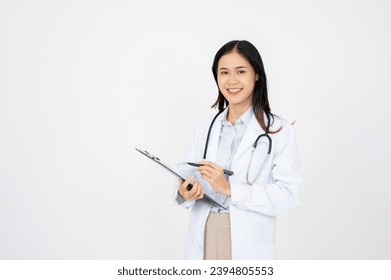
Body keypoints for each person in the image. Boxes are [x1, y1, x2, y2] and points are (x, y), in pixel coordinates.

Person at [173, 40, 302, 260]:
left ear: (256, 75)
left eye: (240, 71)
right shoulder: (205, 125)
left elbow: (288, 196)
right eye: (224, 72)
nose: (231, 81)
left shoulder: (279, 131)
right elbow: (186, 172)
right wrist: (184, 191)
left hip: (246, 238)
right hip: (203, 231)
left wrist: (231, 189)